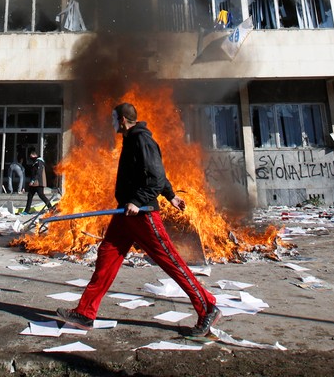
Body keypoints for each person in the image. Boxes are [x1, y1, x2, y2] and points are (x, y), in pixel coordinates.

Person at [57, 102, 220, 340]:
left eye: (114, 119)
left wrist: (140, 199)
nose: (112, 123)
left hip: (142, 214)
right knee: (106, 258)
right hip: (125, 214)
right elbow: (153, 174)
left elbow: (156, 175)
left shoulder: (141, 139)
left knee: (170, 261)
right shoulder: (131, 139)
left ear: (123, 120)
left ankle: (207, 306)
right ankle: (85, 312)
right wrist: (171, 195)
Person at [22, 148, 53, 213]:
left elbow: (38, 173)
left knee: (41, 195)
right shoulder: (35, 162)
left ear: (34, 155)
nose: (30, 158)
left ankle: (51, 208)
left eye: (31, 157)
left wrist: (33, 180)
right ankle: (26, 211)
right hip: (34, 183)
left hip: (39, 182)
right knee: (30, 195)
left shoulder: (39, 162)